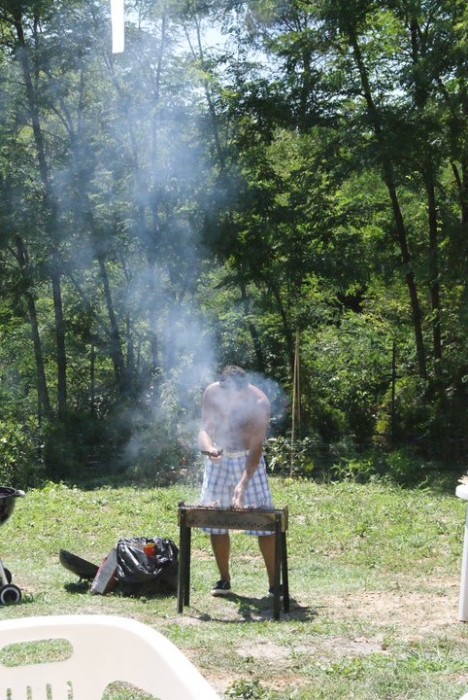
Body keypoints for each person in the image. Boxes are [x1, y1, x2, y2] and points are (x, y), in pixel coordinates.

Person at [198, 365, 277, 597]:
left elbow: (256, 449)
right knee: (216, 520)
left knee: (265, 522)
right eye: (228, 394)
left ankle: (275, 585)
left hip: (246, 459)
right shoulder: (211, 393)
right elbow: (204, 430)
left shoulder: (260, 403)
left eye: (238, 394)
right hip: (219, 458)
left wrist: (242, 484)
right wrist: (210, 448)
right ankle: (224, 580)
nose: (233, 399)